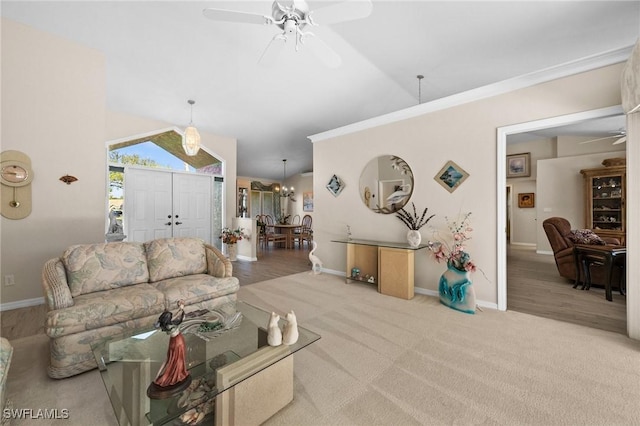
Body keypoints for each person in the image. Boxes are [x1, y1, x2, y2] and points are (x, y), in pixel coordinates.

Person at [153, 300, 189, 388]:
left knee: (170, 358)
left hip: (172, 341)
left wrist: (178, 309)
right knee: (178, 359)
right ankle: (178, 373)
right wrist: (181, 309)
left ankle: (158, 376)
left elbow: (174, 317)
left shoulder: (165, 325)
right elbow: (181, 317)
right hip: (178, 341)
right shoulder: (174, 325)